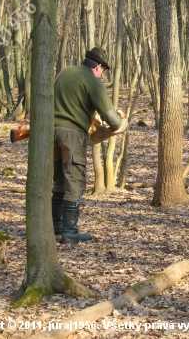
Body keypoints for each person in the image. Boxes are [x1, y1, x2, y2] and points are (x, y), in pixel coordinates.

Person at [52, 47, 127, 244]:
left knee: (59, 180)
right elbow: (109, 115)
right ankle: (70, 230)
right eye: (103, 70)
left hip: (50, 133)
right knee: (75, 180)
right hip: (71, 135)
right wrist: (120, 125)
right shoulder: (92, 81)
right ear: (98, 67)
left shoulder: (64, 73)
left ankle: (56, 224)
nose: (102, 73)